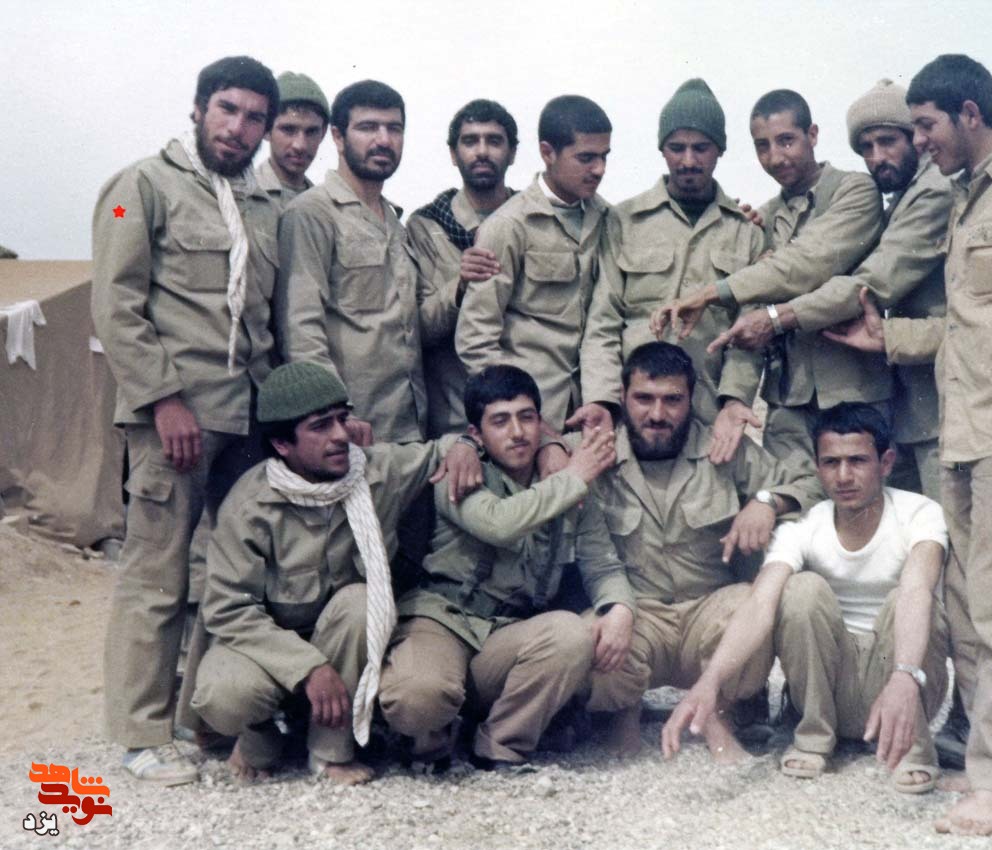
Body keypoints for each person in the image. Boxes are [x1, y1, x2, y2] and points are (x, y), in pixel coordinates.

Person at [823, 54, 992, 835]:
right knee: (966, 607)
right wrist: (887, 339)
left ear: (969, 114)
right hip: (962, 431)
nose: (918, 142)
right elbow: (971, 328)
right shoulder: (961, 200)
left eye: (925, 127)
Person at [92, 55, 281, 785]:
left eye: (254, 117)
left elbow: (257, 319)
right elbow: (116, 304)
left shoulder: (260, 206)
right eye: (227, 109)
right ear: (199, 108)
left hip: (245, 419)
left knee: (228, 575)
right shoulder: (137, 187)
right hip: (174, 415)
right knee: (158, 572)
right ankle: (140, 733)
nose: (238, 128)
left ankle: (195, 716)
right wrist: (162, 399)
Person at [186, 362, 479, 785]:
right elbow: (230, 611)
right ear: (282, 444)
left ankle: (329, 752)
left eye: (342, 418)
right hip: (272, 651)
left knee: (361, 602)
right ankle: (260, 738)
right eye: (321, 426)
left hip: (349, 648)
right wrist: (309, 668)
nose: (341, 435)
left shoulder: (376, 472)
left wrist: (465, 444)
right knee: (224, 693)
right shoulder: (250, 506)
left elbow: (441, 449)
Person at [662, 403, 949, 797]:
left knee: (909, 599)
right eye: (831, 462)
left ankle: (913, 747)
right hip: (830, 688)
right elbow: (760, 604)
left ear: (885, 463)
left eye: (857, 461)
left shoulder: (919, 512)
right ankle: (814, 737)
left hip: (901, 683)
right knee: (800, 590)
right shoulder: (805, 526)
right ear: (817, 467)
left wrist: (904, 676)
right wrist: (709, 682)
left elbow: (918, 589)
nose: (843, 476)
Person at [378, 366, 636, 770]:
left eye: (526, 417)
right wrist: (574, 477)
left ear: (540, 424)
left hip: (507, 633)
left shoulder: (566, 478)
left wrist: (620, 609)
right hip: (443, 619)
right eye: (500, 421)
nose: (517, 432)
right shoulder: (460, 469)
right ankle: (431, 737)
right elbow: (500, 523)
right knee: (418, 697)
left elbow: (602, 563)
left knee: (570, 633)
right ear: (476, 433)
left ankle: (500, 744)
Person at [585, 342, 821, 759]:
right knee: (589, 633)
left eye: (672, 400)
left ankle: (716, 716)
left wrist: (767, 501)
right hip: (639, 613)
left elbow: (811, 485)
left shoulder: (722, 447)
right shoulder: (596, 453)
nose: (657, 414)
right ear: (622, 396)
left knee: (755, 608)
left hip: (708, 610)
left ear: (691, 399)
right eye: (644, 398)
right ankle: (623, 714)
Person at [650, 89, 885, 481]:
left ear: (813, 134)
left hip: (855, 391)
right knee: (791, 502)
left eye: (786, 140)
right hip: (788, 400)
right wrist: (735, 398)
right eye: (763, 146)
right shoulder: (764, 219)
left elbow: (807, 263)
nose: (775, 157)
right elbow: (753, 305)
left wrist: (712, 293)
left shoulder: (854, 191)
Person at [580, 79, 766, 458]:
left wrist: (734, 400)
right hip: (633, 415)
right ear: (661, 149)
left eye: (701, 148)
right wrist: (602, 400)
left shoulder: (746, 232)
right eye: (676, 147)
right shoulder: (624, 221)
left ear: (720, 150)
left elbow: (748, 333)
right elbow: (602, 321)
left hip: (709, 417)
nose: (688, 161)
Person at [276, 78, 428, 443]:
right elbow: (301, 330)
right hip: (351, 428)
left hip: (411, 423)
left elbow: (412, 322)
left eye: (394, 128)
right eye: (368, 127)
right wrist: (334, 415)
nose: (383, 140)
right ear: (338, 137)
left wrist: (464, 285)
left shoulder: (395, 222)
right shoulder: (312, 213)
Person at [456, 94, 613, 432]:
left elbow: (606, 322)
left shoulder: (607, 219)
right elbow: (475, 338)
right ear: (547, 152)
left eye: (604, 156)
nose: (599, 169)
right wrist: (522, 416)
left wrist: (602, 400)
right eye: (586, 158)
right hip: (528, 419)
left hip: (591, 411)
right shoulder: (508, 225)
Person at [407, 99, 519, 435]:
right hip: (455, 415)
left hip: (526, 408)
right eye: (470, 141)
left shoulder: (531, 220)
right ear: (453, 154)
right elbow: (418, 328)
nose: (482, 151)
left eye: (494, 141)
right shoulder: (426, 226)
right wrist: (460, 284)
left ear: (513, 153)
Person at [256, 72, 329, 212]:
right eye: (288, 130)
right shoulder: (243, 194)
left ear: (323, 133)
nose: (300, 145)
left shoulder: (325, 206)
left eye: (311, 132)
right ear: (266, 130)